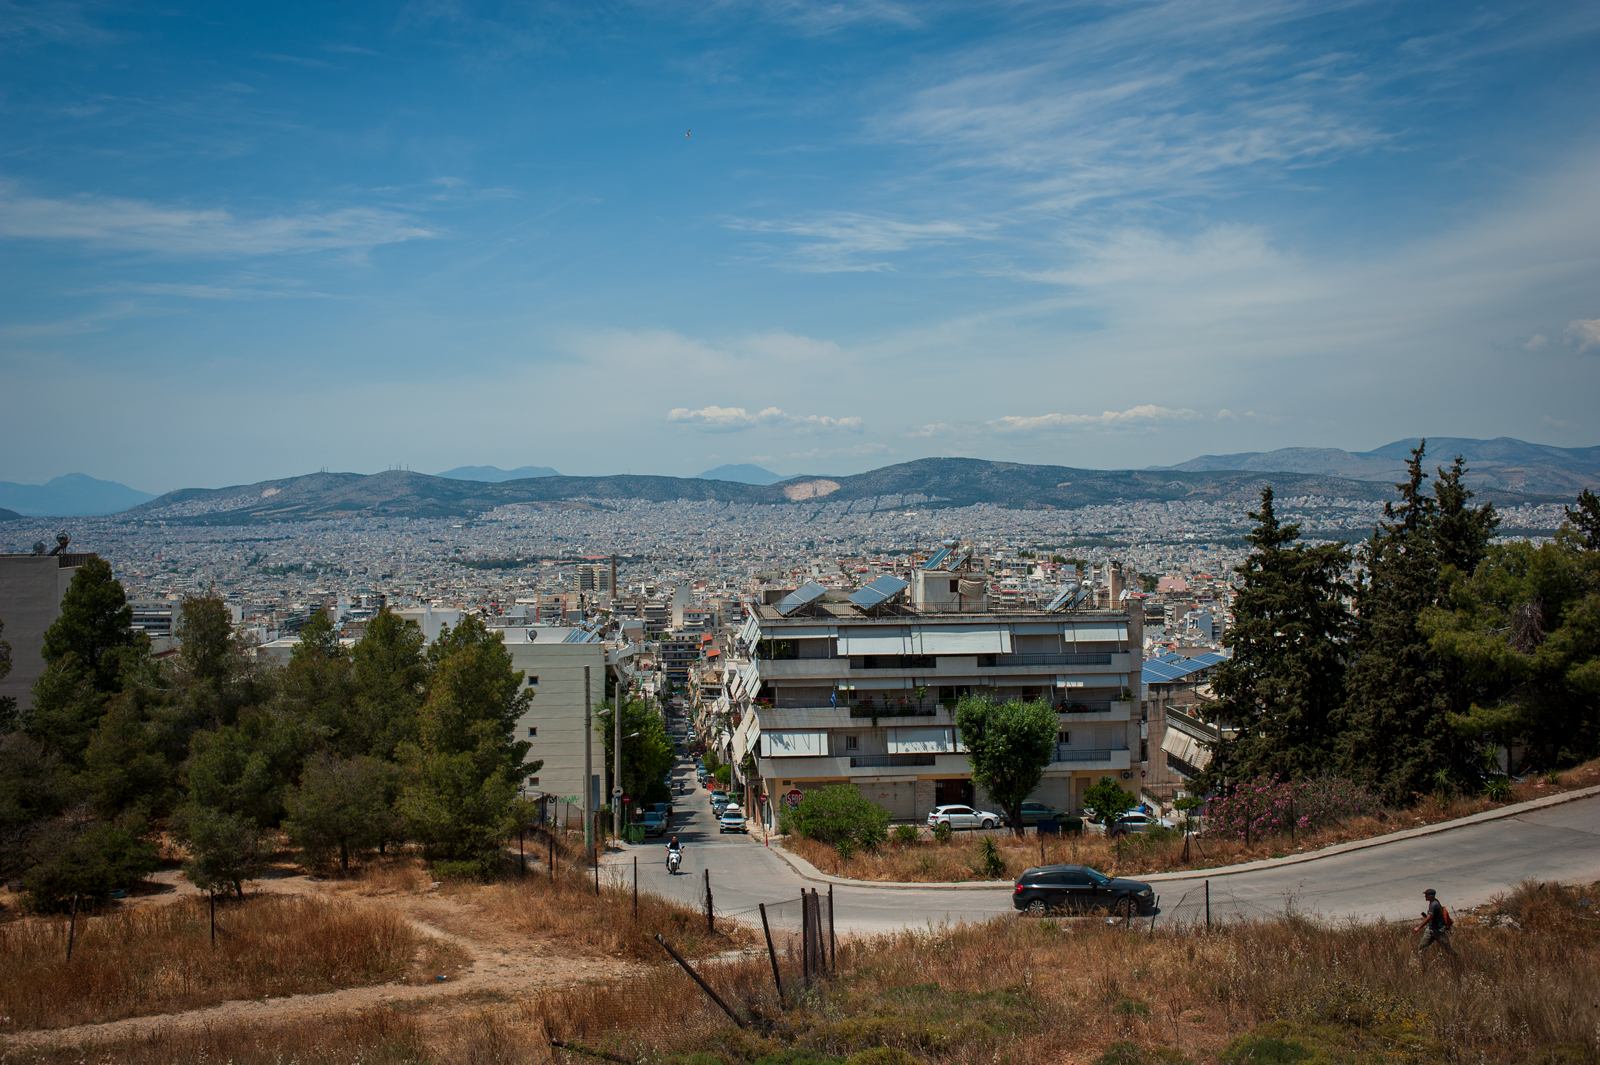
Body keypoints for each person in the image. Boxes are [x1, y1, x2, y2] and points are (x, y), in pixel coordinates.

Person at [1414, 888, 1459, 959]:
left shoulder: (1434, 905)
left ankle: (1457, 958)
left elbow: (1429, 917)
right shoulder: (1433, 902)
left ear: (1431, 896)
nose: (1425, 896)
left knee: (1446, 947)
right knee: (1422, 946)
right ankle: (1419, 961)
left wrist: (1419, 927)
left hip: (1438, 930)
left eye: (1426, 895)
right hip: (1430, 929)